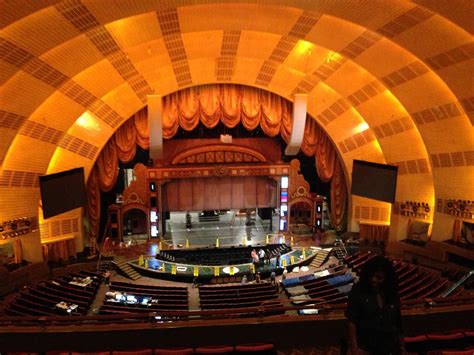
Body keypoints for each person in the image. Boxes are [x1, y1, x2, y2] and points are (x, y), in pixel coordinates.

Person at [346, 255, 404, 355]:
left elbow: (397, 322)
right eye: (371, 276)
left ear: (387, 278)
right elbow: (352, 321)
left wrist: (401, 347)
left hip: (388, 347)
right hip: (364, 347)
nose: (373, 280)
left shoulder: (391, 293)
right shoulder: (359, 290)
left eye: (379, 277)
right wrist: (354, 349)